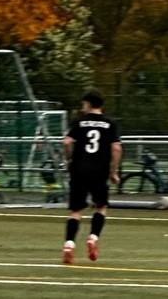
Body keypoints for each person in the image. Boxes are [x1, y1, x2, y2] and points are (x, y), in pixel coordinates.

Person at [62, 89, 121, 265]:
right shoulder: (110, 124)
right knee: (101, 207)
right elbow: (117, 148)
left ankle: (69, 244)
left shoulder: (79, 122)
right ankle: (93, 237)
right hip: (99, 170)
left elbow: (66, 142)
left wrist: (69, 159)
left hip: (79, 169)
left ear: (88, 103)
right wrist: (113, 171)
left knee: (76, 211)